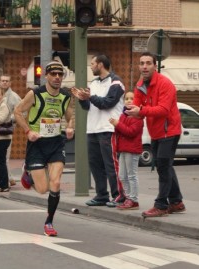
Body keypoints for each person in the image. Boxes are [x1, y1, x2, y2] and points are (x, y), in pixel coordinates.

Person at [14, 61, 74, 236]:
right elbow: (17, 112)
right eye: (53, 74)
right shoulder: (35, 94)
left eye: (60, 74)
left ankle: (49, 222)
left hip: (56, 143)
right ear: (46, 76)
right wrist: (28, 131)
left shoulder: (65, 96)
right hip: (37, 143)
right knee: (42, 189)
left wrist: (71, 127)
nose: (57, 77)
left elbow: (70, 115)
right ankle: (28, 173)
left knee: (55, 183)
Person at [125, 52, 185, 217]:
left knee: (163, 166)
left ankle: (161, 205)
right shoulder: (140, 85)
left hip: (170, 131)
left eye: (148, 63)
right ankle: (176, 201)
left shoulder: (165, 84)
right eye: (142, 63)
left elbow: (163, 110)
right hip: (156, 132)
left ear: (154, 65)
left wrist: (141, 111)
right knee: (164, 166)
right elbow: (137, 108)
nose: (144, 66)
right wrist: (129, 112)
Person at [71, 54, 125, 207]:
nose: (91, 66)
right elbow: (89, 106)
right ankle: (102, 195)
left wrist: (90, 97)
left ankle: (118, 195)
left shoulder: (116, 82)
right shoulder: (93, 83)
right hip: (92, 128)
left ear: (101, 64)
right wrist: (82, 99)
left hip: (108, 128)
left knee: (111, 164)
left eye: (93, 63)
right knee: (95, 164)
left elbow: (107, 103)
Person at [109, 91, 143, 210]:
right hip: (123, 149)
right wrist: (115, 124)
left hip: (132, 149)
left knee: (131, 175)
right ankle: (128, 197)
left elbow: (130, 132)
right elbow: (120, 131)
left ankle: (133, 200)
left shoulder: (138, 117)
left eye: (132, 98)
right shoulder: (123, 115)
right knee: (122, 175)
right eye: (126, 98)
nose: (129, 100)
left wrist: (118, 124)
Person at [0, 74, 22, 186]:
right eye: (2, 81)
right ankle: (9, 178)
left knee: (4, 156)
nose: (4, 82)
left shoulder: (14, 96)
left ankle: (6, 180)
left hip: (6, 128)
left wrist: (10, 119)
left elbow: (23, 111)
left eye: (6, 81)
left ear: (10, 83)